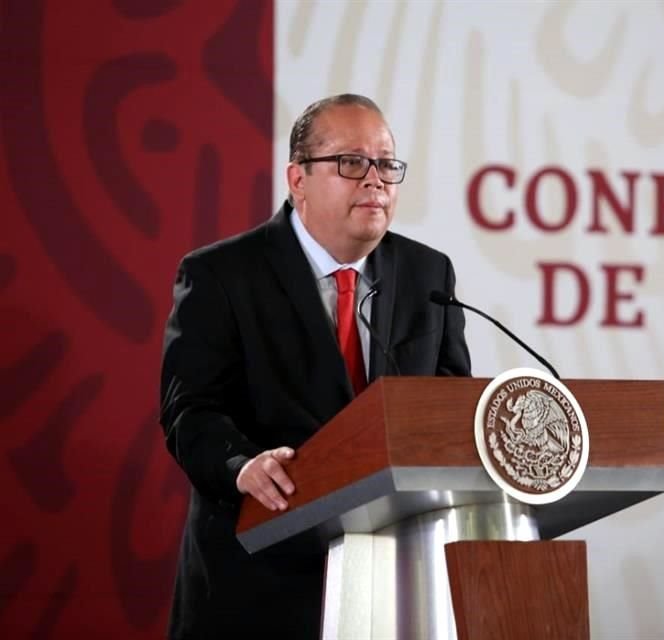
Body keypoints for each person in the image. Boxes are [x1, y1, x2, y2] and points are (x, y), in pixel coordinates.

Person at [159, 93, 471, 639]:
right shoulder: (222, 274)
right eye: (351, 162)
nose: (375, 180)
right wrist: (242, 465)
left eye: (386, 164)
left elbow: (448, 406)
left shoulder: (428, 274)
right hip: (259, 583)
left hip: (392, 586)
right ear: (297, 179)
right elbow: (191, 410)